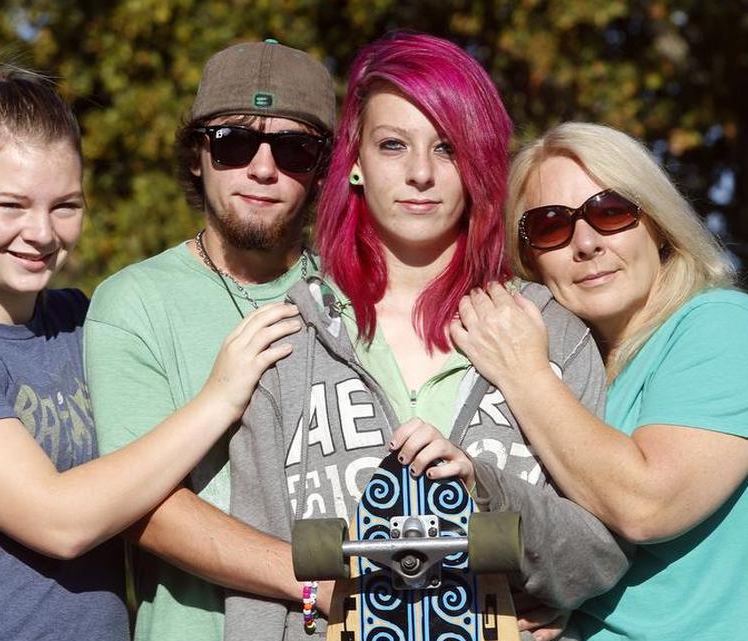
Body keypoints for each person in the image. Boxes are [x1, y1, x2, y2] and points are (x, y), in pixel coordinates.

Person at [0, 64, 300, 640]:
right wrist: (220, 397)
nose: (42, 233)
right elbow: (59, 520)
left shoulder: (78, 320)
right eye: (11, 206)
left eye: (65, 206)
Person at [224, 32, 630, 641]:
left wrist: (487, 491)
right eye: (393, 145)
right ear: (355, 162)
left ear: (479, 165)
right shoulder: (289, 337)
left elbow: (597, 561)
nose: (419, 173)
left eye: (447, 148)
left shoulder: (551, 333)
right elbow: (257, 591)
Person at [451, 121, 748, 640]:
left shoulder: (725, 327)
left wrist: (523, 373)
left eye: (611, 210)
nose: (586, 243)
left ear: (656, 222)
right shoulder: (572, 375)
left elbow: (646, 506)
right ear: (530, 257)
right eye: (551, 225)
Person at [83, 39, 337, 641]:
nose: (263, 168)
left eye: (295, 148)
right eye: (234, 143)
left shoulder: (358, 293)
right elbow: (141, 510)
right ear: (198, 155)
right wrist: (314, 581)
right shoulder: (133, 302)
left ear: (323, 169)